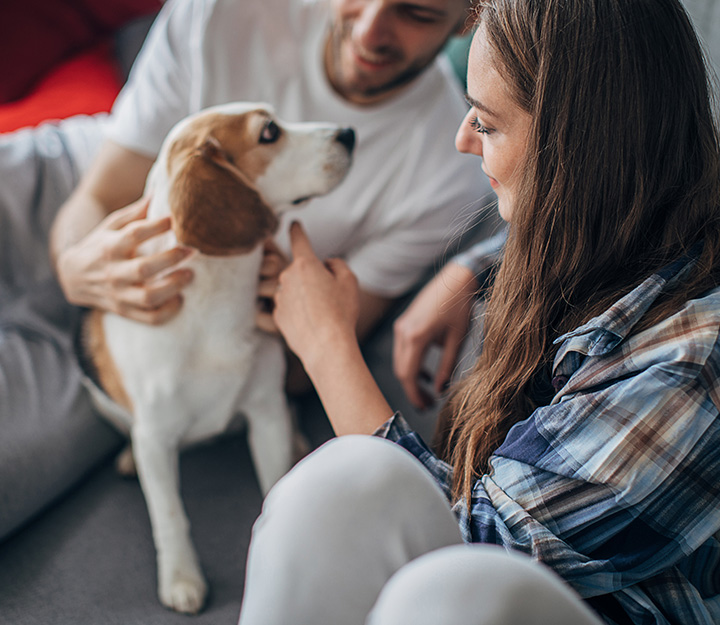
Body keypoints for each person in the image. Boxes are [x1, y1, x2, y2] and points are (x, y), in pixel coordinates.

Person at [235, 0, 720, 623]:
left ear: (579, 149)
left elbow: (480, 544)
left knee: (458, 595)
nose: (462, 138)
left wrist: (327, 344)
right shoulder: (639, 231)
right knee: (335, 486)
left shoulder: (690, 365)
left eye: (487, 124)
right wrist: (473, 266)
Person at [0, 0, 494, 540]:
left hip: (168, 353)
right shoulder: (219, 12)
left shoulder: (451, 168)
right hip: (65, 191)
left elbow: (302, 368)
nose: (371, 30)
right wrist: (75, 265)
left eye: (416, 13)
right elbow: (98, 197)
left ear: (466, 19)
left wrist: (270, 307)